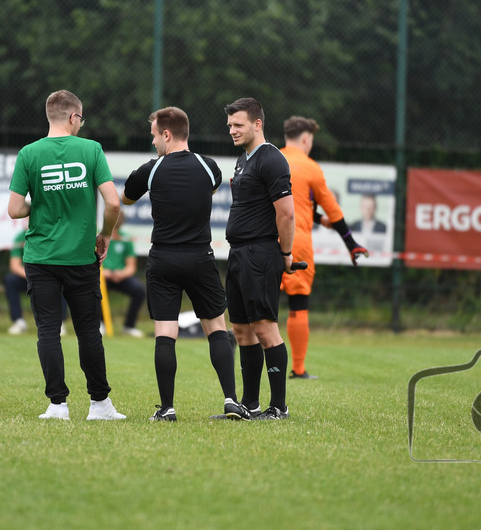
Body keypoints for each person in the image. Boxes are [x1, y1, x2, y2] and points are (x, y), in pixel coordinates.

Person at [121, 106, 252, 422]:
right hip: (200, 258)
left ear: (166, 134)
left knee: (165, 333)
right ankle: (231, 400)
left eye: (154, 136)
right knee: (217, 329)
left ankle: (167, 409)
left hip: (163, 259)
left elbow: (125, 199)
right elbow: (209, 189)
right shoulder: (209, 168)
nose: (153, 143)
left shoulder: (150, 170)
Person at [7, 89, 126, 421]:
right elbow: (114, 202)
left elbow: (15, 209)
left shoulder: (29, 153)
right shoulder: (90, 149)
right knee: (88, 329)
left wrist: (40, 203)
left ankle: (57, 405)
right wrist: (105, 235)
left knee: (48, 329)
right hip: (80, 256)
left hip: (40, 256)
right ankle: (100, 405)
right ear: (74, 117)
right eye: (81, 119)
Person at [223, 97, 297, 420]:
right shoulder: (244, 160)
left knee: (265, 328)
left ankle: (278, 407)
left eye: (238, 125)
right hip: (238, 253)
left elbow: (287, 214)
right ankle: (249, 405)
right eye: (229, 126)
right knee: (241, 330)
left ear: (257, 124)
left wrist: (286, 254)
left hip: (261, 253)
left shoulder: (272, 160)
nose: (232, 131)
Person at [280, 116, 369, 379]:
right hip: (298, 243)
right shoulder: (310, 168)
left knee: (258, 305)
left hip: (264, 241)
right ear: (306, 139)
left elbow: (288, 203)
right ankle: (297, 369)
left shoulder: (269, 159)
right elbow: (334, 210)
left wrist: (317, 219)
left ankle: (244, 354)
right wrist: (351, 243)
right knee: (298, 305)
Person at [3, 230, 70, 336]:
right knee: (10, 280)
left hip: (49, 276)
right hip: (29, 276)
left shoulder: (53, 233)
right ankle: (18, 322)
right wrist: (32, 275)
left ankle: (59, 322)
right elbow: (14, 265)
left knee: (61, 280)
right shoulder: (20, 237)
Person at [101, 211, 147, 338]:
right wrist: (104, 272)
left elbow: (131, 266)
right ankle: (100, 323)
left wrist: (121, 274)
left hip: (120, 276)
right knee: (96, 290)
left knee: (139, 291)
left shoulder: (126, 238)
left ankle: (129, 326)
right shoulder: (99, 236)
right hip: (103, 276)